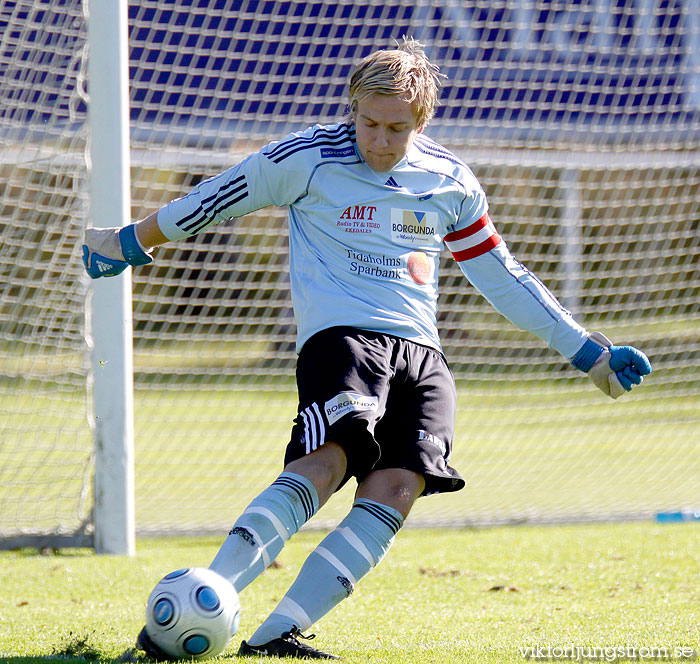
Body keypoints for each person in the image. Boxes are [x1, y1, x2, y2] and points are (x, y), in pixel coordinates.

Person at [82, 39, 652, 660]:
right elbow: (217, 197)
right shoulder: (307, 158)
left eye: (396, 129)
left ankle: (278, 635)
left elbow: (502, 275)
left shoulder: (450, 182)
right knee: (327, 463)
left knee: (399, 486)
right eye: (370, 124)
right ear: (352, 108)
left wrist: (587, 353)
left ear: (422, 123)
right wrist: (130, 240)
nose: (379, 141)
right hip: (343, 341)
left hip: (423, 355)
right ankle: (210, 593)